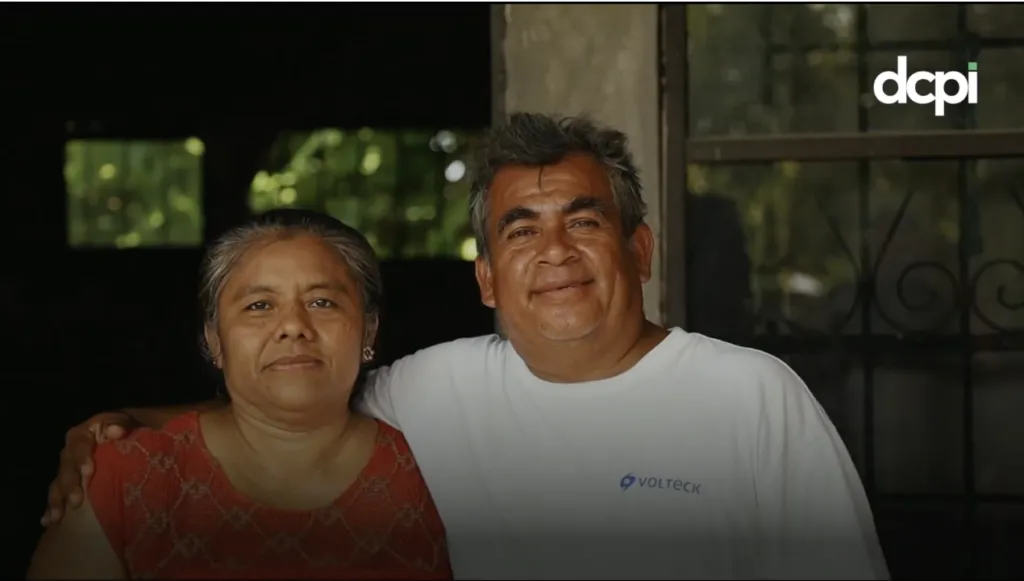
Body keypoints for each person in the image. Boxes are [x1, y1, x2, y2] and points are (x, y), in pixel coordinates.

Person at [43, 113, 889, 579]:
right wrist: (121, 425)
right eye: (522, 232)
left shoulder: (752, 395)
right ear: (487, 279)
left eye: (584, 222)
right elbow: (288, 395)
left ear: (640, 250)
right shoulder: (435, 388)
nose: (554, 253)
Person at [28, 210, 451, 580]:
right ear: (214, 339)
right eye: (259, 306)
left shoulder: (441, 471)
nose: (293, 326)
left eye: (322, 302)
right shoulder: (122, 480)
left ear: (369, 330)